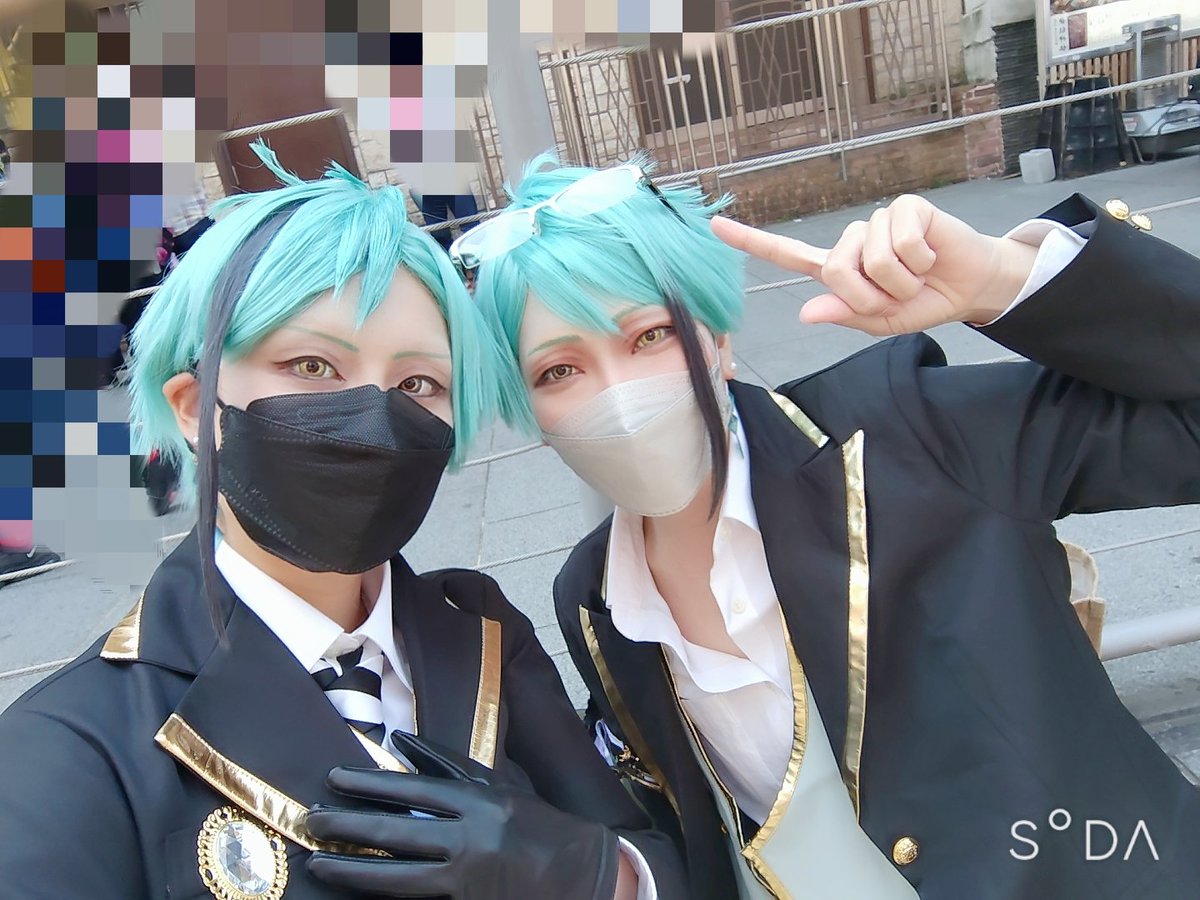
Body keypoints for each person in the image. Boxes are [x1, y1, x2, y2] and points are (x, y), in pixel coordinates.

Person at [466, 157, 1200, 899]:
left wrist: (1001, 280)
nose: (618, 394)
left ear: (716, 340)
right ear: (530, 413)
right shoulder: (593, 597)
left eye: (650, 335)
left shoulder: (904, 431)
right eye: (558, 371)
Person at [0, 146, 686, 900]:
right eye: (312, 366)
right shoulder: (70, 750)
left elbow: (657, 858)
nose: (374, 420)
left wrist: (596, 875)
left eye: (418, 383)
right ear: (197, 409)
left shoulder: (482, 634)